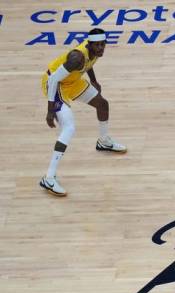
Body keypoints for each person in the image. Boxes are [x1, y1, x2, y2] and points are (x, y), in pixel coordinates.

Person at [39, 28, 127, 197]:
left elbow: (89, 64)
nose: (101, 48)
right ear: (90, 44)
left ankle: (103, 141)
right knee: (69, 128)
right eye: (97, 45)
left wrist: (94, 81)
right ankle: (49, 178)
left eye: (103, 45)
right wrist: (50, 111)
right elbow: (53, 79)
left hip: (72, 82)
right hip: (55, 86)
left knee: (102, 104)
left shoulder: (94, 52)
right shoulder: (76, 57)